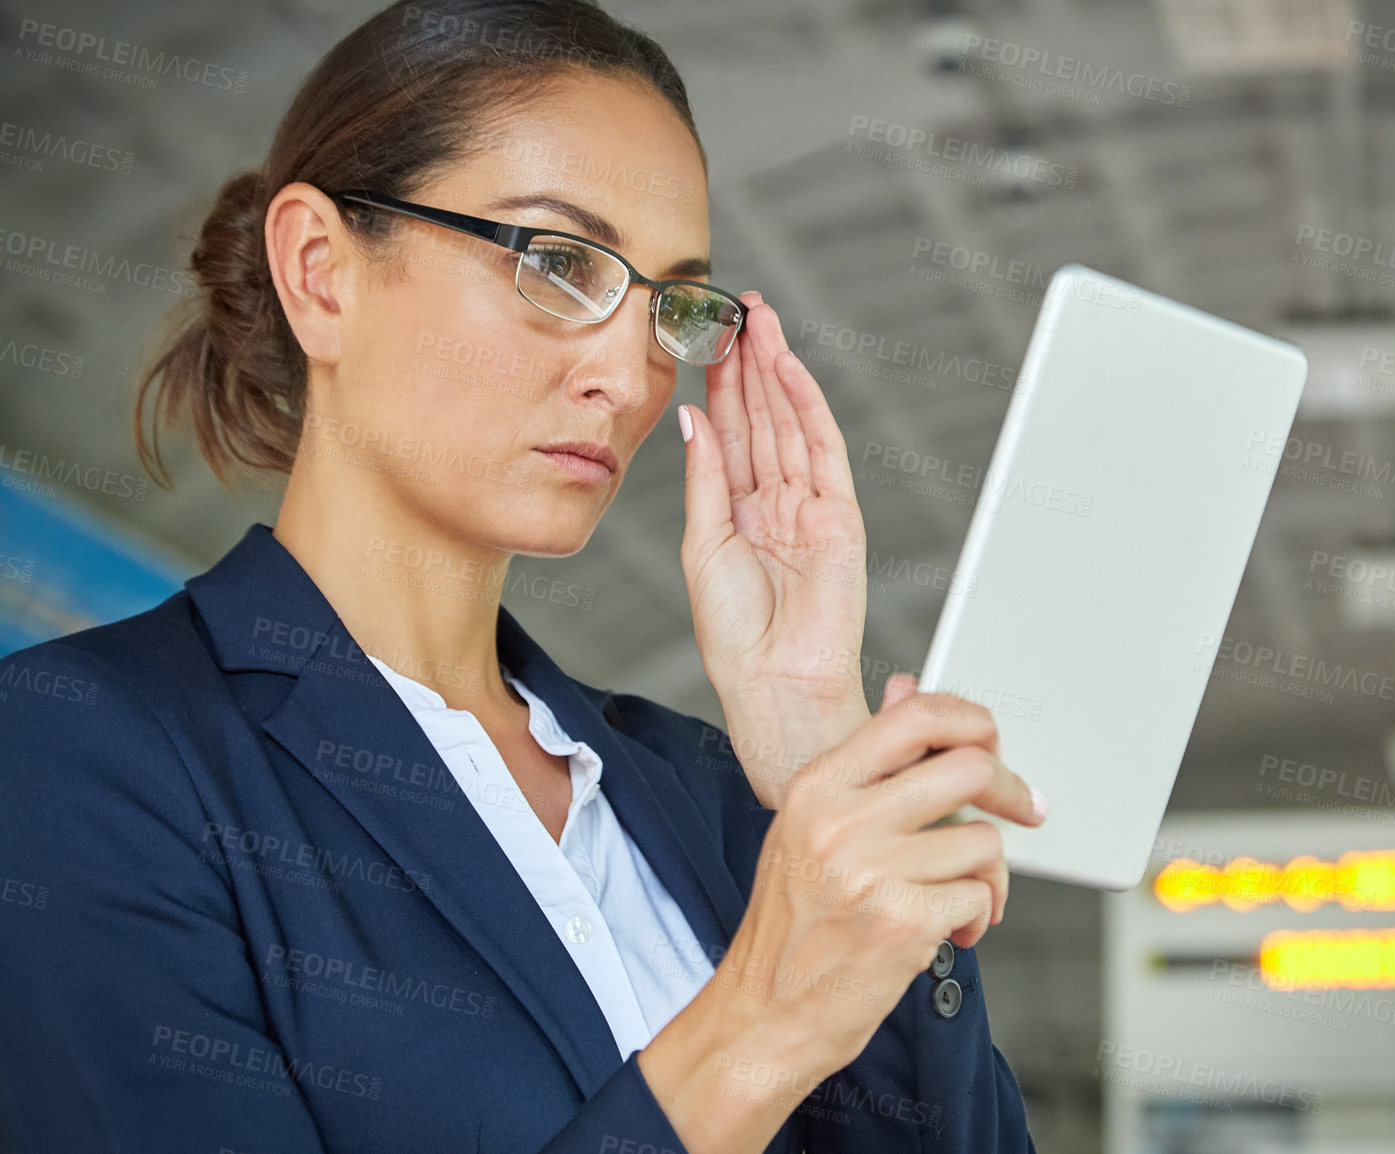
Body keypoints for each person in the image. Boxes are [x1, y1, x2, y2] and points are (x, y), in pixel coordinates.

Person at [0, 2, 1048, 1151]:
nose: (628, 369)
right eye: (556, 261)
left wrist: (813, 751)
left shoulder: (707, 790)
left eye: (670, 305)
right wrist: (751, 1029)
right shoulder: (87, 751)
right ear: (319, 272)